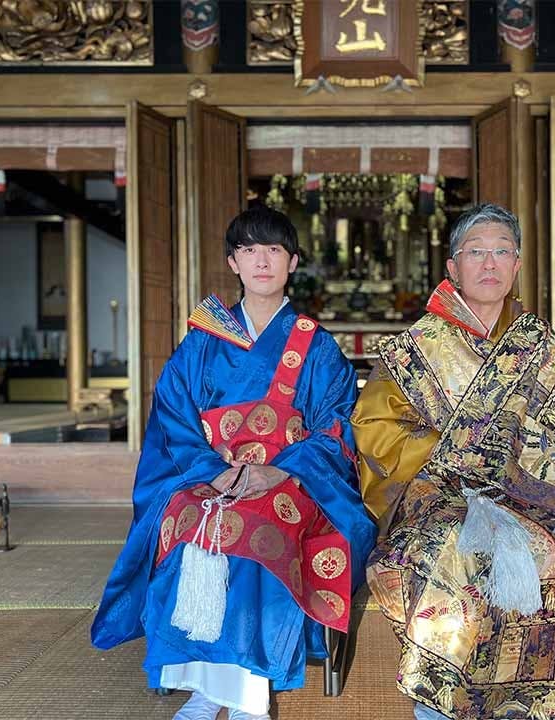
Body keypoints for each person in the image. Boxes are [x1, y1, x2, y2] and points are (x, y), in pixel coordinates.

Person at [352, 203, 555, 720]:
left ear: (516, 266)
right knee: (451, 553)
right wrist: (455, 462)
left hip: (532, 496)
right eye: (476, 252)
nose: (489, 263)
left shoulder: (539, 346)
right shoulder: (415, 349)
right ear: (452, 267)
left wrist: (518, 477)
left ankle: (550, 702)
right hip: (441, 494)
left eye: (501, 252)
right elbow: (378, 432)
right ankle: (442, 704)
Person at [92, 206, 377, 720]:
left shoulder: (315, 344)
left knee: (259, 527)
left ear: (292, 263)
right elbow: (173, 415)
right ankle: (205, 687)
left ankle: (247, 695)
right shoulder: (203, 340)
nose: (261, 261)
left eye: (273, 250)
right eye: (249, 250)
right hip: (211, 475)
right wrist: (212, 471)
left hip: (292, 478)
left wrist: (279, 470)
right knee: (188, 522)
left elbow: (336, 424)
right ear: (233, 263)